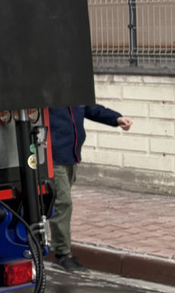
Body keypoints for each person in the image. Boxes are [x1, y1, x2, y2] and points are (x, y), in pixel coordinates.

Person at [47, 105, 132, 272]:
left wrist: (116, 118)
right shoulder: (48, 89)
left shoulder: (74, 90)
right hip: (51, 156)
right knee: (63, 203)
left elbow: (91, 109)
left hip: (71, 155)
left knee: (53, 204)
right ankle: (62, 254)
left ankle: (44, 241)